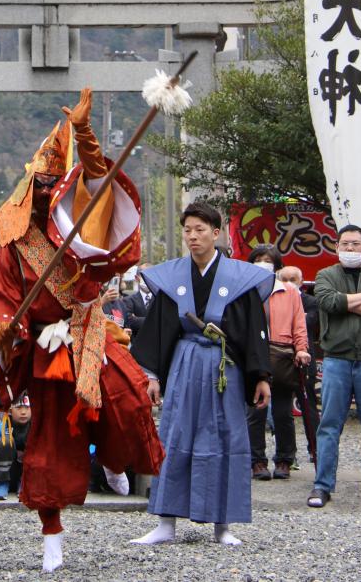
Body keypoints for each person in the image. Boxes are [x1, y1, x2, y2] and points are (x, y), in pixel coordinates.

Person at [0, 88, 163, 572]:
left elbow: (102, 180)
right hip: (47, 349)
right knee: (51, 444)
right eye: (39, 183)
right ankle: (51, 533)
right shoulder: (14, 249)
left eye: (52, 183)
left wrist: (84, 132)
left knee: (132, 397)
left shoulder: (80, 222)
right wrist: (1, 328)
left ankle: (117, 461)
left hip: (91, 330)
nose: (44, 191)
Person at [130, 201, 274, 547]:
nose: (192, 237)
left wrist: (262, 376)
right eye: (187, 230)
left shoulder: (241, 278)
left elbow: (255, 329)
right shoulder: (172, 276)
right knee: (176, 434)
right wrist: (152, 375)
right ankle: (166, 522)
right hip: (184, 364)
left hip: (226, 367)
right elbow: (159, 330)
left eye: (199, 230)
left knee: (225, 437)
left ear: (216, 233)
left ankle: (223, 525)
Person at [307, 224, 361, 508]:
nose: (350, 249)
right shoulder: (326, 275)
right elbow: (328, 302)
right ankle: (322, 485)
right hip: (336, 359)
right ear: (336, 247)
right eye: (345, 244)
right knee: (329, 424)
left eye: (356, 244)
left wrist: (347, 302)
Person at [246, 245, 310, 480]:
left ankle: (285, 459)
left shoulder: (290, 291)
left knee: (283, 412)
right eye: (258, 259)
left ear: (277, 265)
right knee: (255, 412)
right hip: (253, 355)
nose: (263, 263)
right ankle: (257, 461)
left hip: (282, 354)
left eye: (268, 260)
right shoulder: (245, 290)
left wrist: (301, 348)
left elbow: (298, 323)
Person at [278, 265, 321, 462]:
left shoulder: (311, 301)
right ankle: (287, 455)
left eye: (293, 279)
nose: (288, 283)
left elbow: (309, 322)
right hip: (280, 360)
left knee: (309, 406)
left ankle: (316, 449)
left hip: (305, 358)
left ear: (301, 282)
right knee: (282, 408)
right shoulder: (273, 299)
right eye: (284, 278)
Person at [122, 263, 154, 339]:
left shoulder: (161, 299)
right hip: (136, 345)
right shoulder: (128, 300)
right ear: (137, 278)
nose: (148, 279)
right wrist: (155, 320)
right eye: (145, 276)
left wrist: (137, 319)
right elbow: (129, 322)